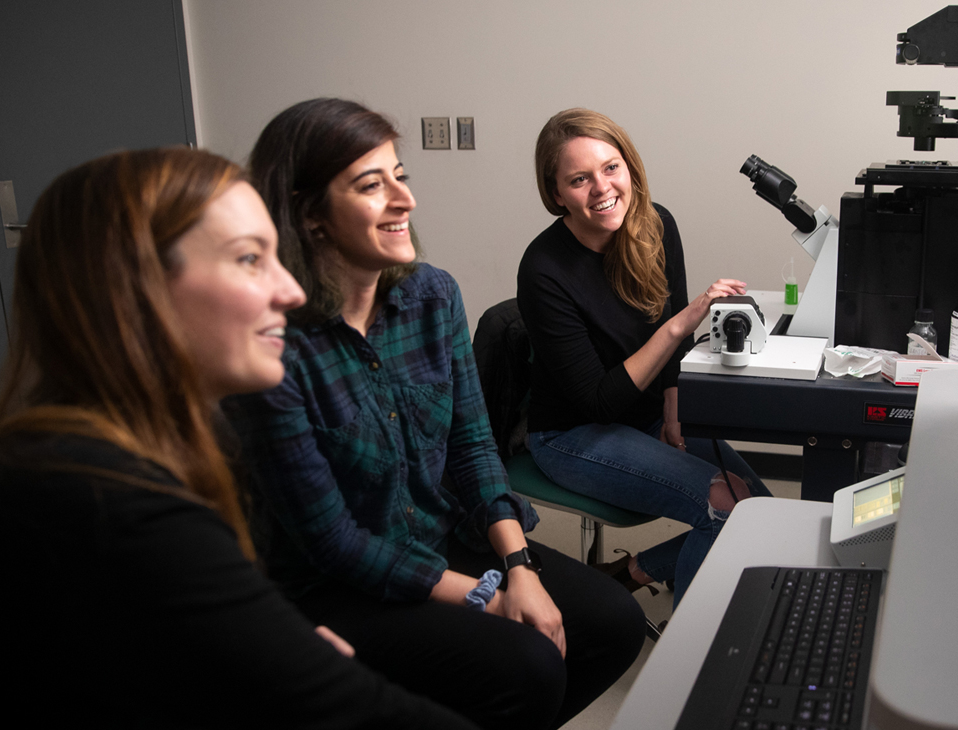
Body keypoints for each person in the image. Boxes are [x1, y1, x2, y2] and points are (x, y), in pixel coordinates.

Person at [0, 148, 477, 728]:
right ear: (135, 289)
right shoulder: (106, 500)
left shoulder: (69, 454)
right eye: (250, 259)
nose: (290, 291)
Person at [223, 98, 644, 730]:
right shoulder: (274, 343)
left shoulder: (432, 295)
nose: (404, 200)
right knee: (527, 665)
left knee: (614, 623)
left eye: (401, 176)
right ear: (308, 217)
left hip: (442, 538)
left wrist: (518, 567)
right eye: (372, 185)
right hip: (337, 584)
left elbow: (474, 446)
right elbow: (333, 542)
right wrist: (485, 597)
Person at [517, 108, 772, 606]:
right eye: (579, 179)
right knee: (724, 504)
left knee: (760, 508)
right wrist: (687, 318)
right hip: (571, 434)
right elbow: (597, 402)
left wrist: (674, 407)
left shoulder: (655, 225)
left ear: (629, 167)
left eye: (611, 168)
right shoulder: (544, 268)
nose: (601, 188)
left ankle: (633, 571)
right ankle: (693, 662)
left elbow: (669, 351)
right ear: (555, 195)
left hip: (646, 412)